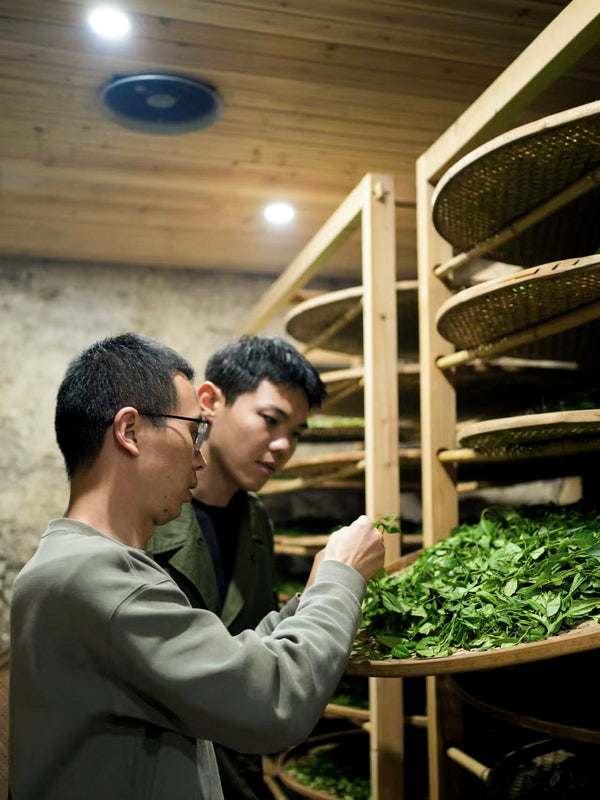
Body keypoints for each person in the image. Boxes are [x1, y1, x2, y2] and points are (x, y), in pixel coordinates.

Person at [9, 332, 384, 800]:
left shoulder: (78, 565)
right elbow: (272, 701)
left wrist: (309, 600)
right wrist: (341, 579)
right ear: (129, 432)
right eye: (192, 432)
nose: (199, 456)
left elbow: (227, 657)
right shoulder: (98, 582)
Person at [147, 335, 327, 799]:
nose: (284, 445)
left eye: (298, 433)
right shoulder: (147, 515)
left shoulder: (256, 520)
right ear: (209, 402)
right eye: (271, 420)